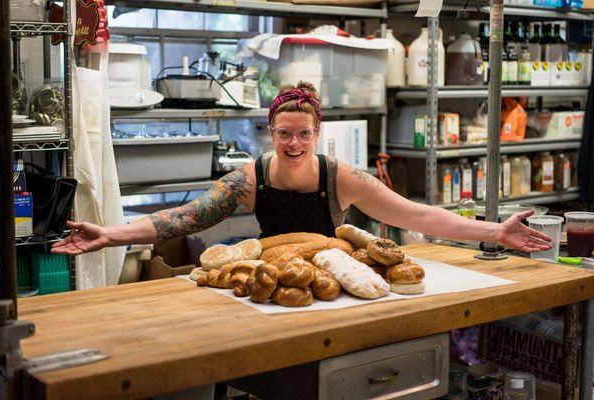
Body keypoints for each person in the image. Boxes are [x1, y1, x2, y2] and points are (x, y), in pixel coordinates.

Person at [51, 82, 551, 256]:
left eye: (303, 134)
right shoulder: (250, 179)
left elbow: (416, 217)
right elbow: (181, 220)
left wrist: (494, 232)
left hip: (336, 278)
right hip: (276, 281)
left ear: (318, 134)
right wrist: (110, 234)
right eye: (283, 133)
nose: (293, 143)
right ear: (272, 133)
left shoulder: (343, 179)